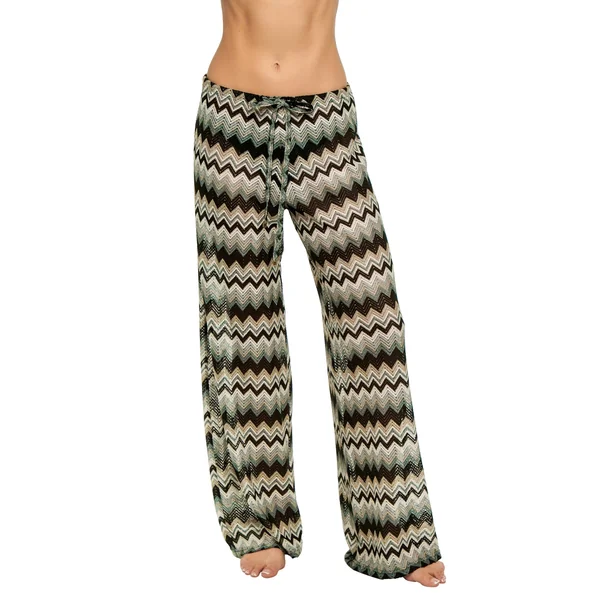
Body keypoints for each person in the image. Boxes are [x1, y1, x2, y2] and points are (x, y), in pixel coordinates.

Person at [193, 0, 446, 586]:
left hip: (325, 122)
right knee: (239, 325)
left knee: (371, 317)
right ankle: (259, 522)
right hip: (230, 121)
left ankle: (394, 531)